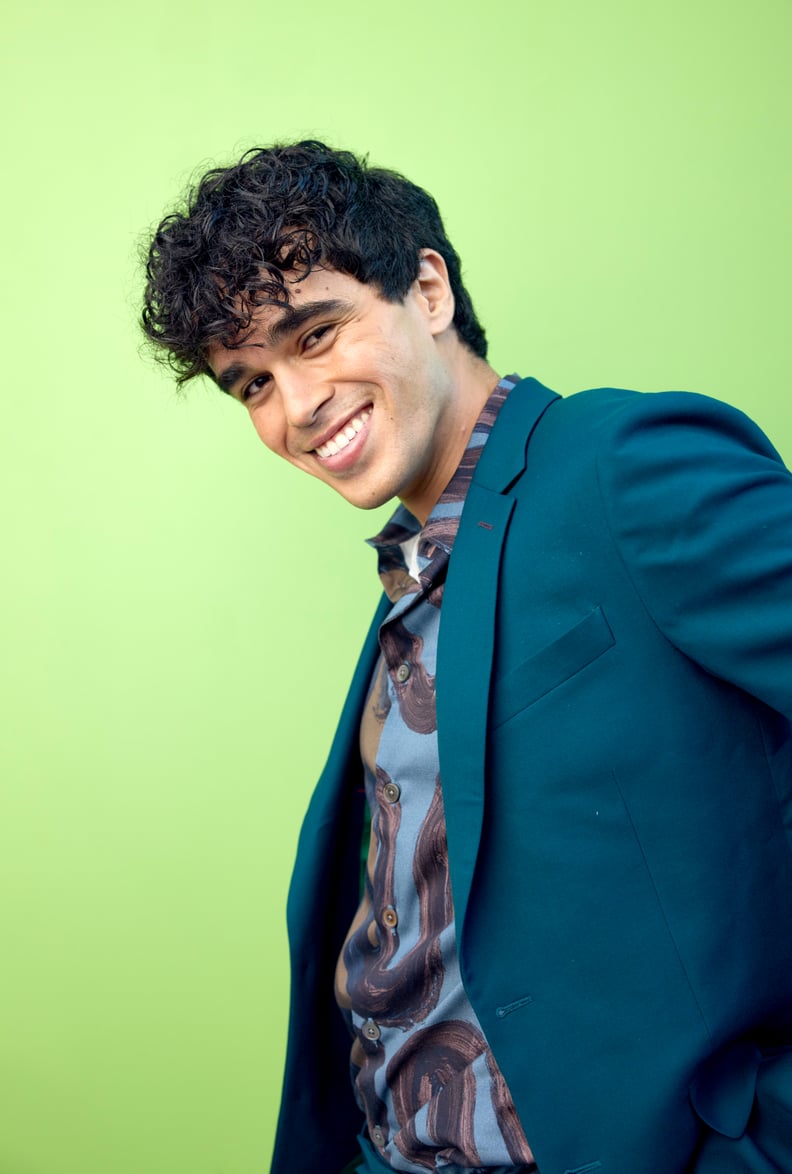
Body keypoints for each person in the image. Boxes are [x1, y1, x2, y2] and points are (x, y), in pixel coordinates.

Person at [141, 141, 792, 1174]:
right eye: (251, 383)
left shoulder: (625, 467)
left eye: (316, 333)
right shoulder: (413, 587)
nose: (295, 406)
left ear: (429, 289)